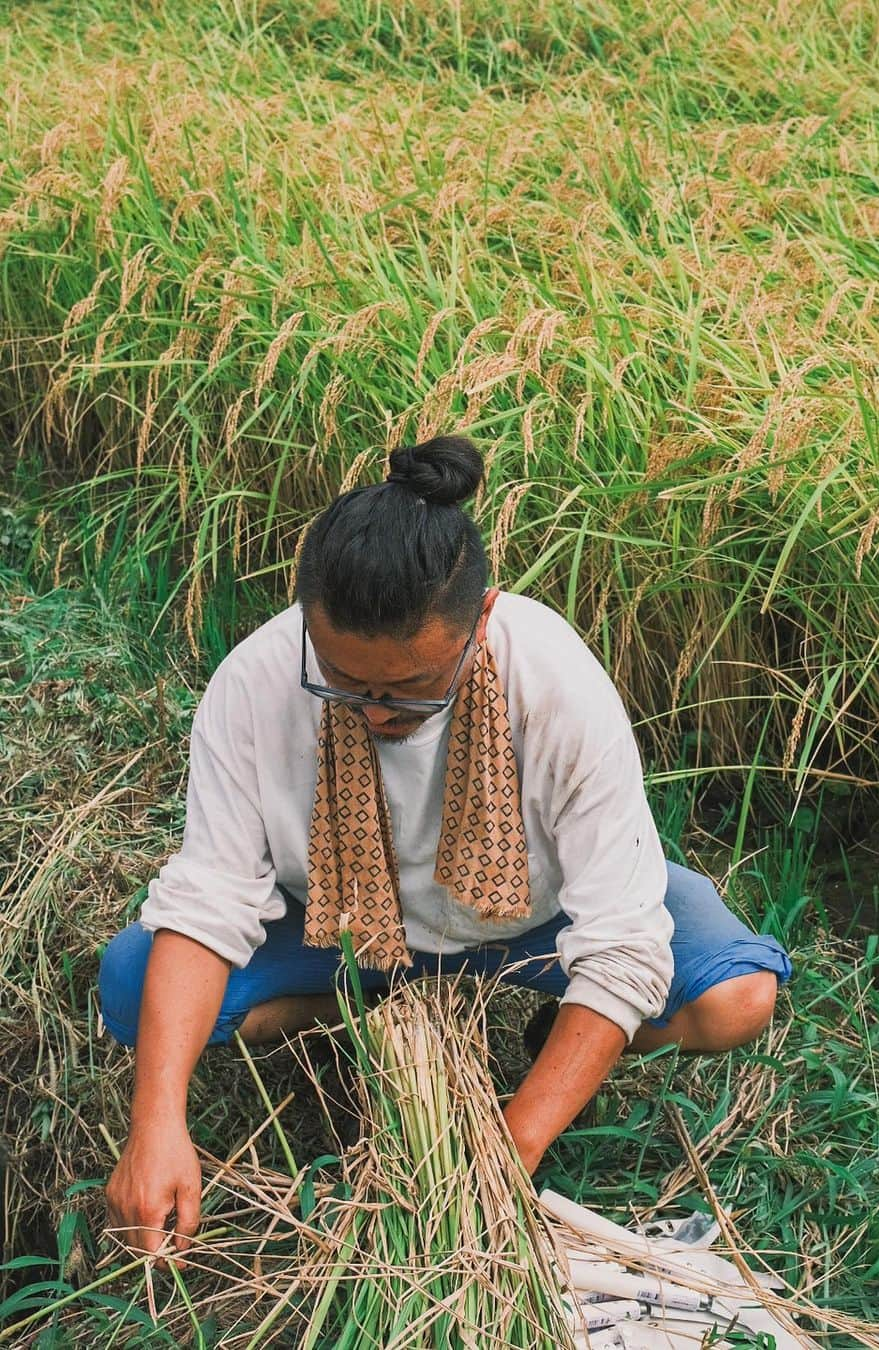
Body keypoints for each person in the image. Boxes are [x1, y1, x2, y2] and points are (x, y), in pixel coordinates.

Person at [98, 434, 792, 1267]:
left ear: (481, 621)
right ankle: (381, 1004)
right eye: (343, 683)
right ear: (309, 624)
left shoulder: (556, 683)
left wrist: (509, 1149)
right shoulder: (253, 686)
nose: (375, 714)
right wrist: (156, 1126)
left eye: (411, 688)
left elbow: (621, 941)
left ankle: (536, 1029)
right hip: (347, 930)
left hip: (534, 924)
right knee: (137, 988)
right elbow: (209, 903)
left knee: (736, 1000)